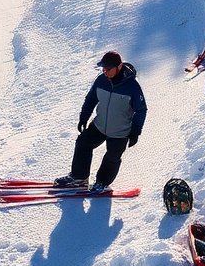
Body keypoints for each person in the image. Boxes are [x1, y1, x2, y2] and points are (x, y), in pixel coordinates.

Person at [53, 51, 147, 193]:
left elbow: (141, 110)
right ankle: (79, 177)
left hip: (120, 131)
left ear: (119, 66)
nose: (104, 72)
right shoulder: (101, 80)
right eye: (103, 69)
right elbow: (91, 98)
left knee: (112, 157)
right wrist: (84, 116)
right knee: (83, 143)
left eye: (108, 69)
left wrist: (135, 131)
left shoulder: (132, 87)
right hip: (100, 125)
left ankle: (102, 183)